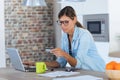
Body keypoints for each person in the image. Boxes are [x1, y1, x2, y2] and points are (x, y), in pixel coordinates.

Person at [24, 6, 105, 72]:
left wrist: (64, 54)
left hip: (97, 72)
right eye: (61, 22)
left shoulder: (84, 35)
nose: (62, 26)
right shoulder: (65, 36)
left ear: (74, 20)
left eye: (66, 22)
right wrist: (36, 63)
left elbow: (77, 64)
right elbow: (60, 63)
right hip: (83, 72)